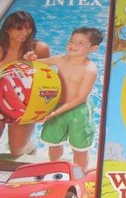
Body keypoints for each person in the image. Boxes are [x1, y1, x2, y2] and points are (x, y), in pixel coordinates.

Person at [0, 11, 50, 160]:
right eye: (19, 29)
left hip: (26, 105)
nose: (25, 33)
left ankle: (30, 146)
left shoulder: (40, 49)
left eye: (29, 28)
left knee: (16, 151)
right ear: (7, 29)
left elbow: (46, 80)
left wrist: (46, 107)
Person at [26, 27, 103, 168]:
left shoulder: (90, 70)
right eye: (71, 41)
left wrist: (53, 113)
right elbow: (36, 64)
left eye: (80, 43)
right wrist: (31, 59)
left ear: (93, 48)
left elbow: (80, 98)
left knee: (79, 148)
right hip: (56, 106)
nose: (73, 45)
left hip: (78, 112)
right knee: (54, 143)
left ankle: (81, 173)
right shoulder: (60, 59)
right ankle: (54, 166)